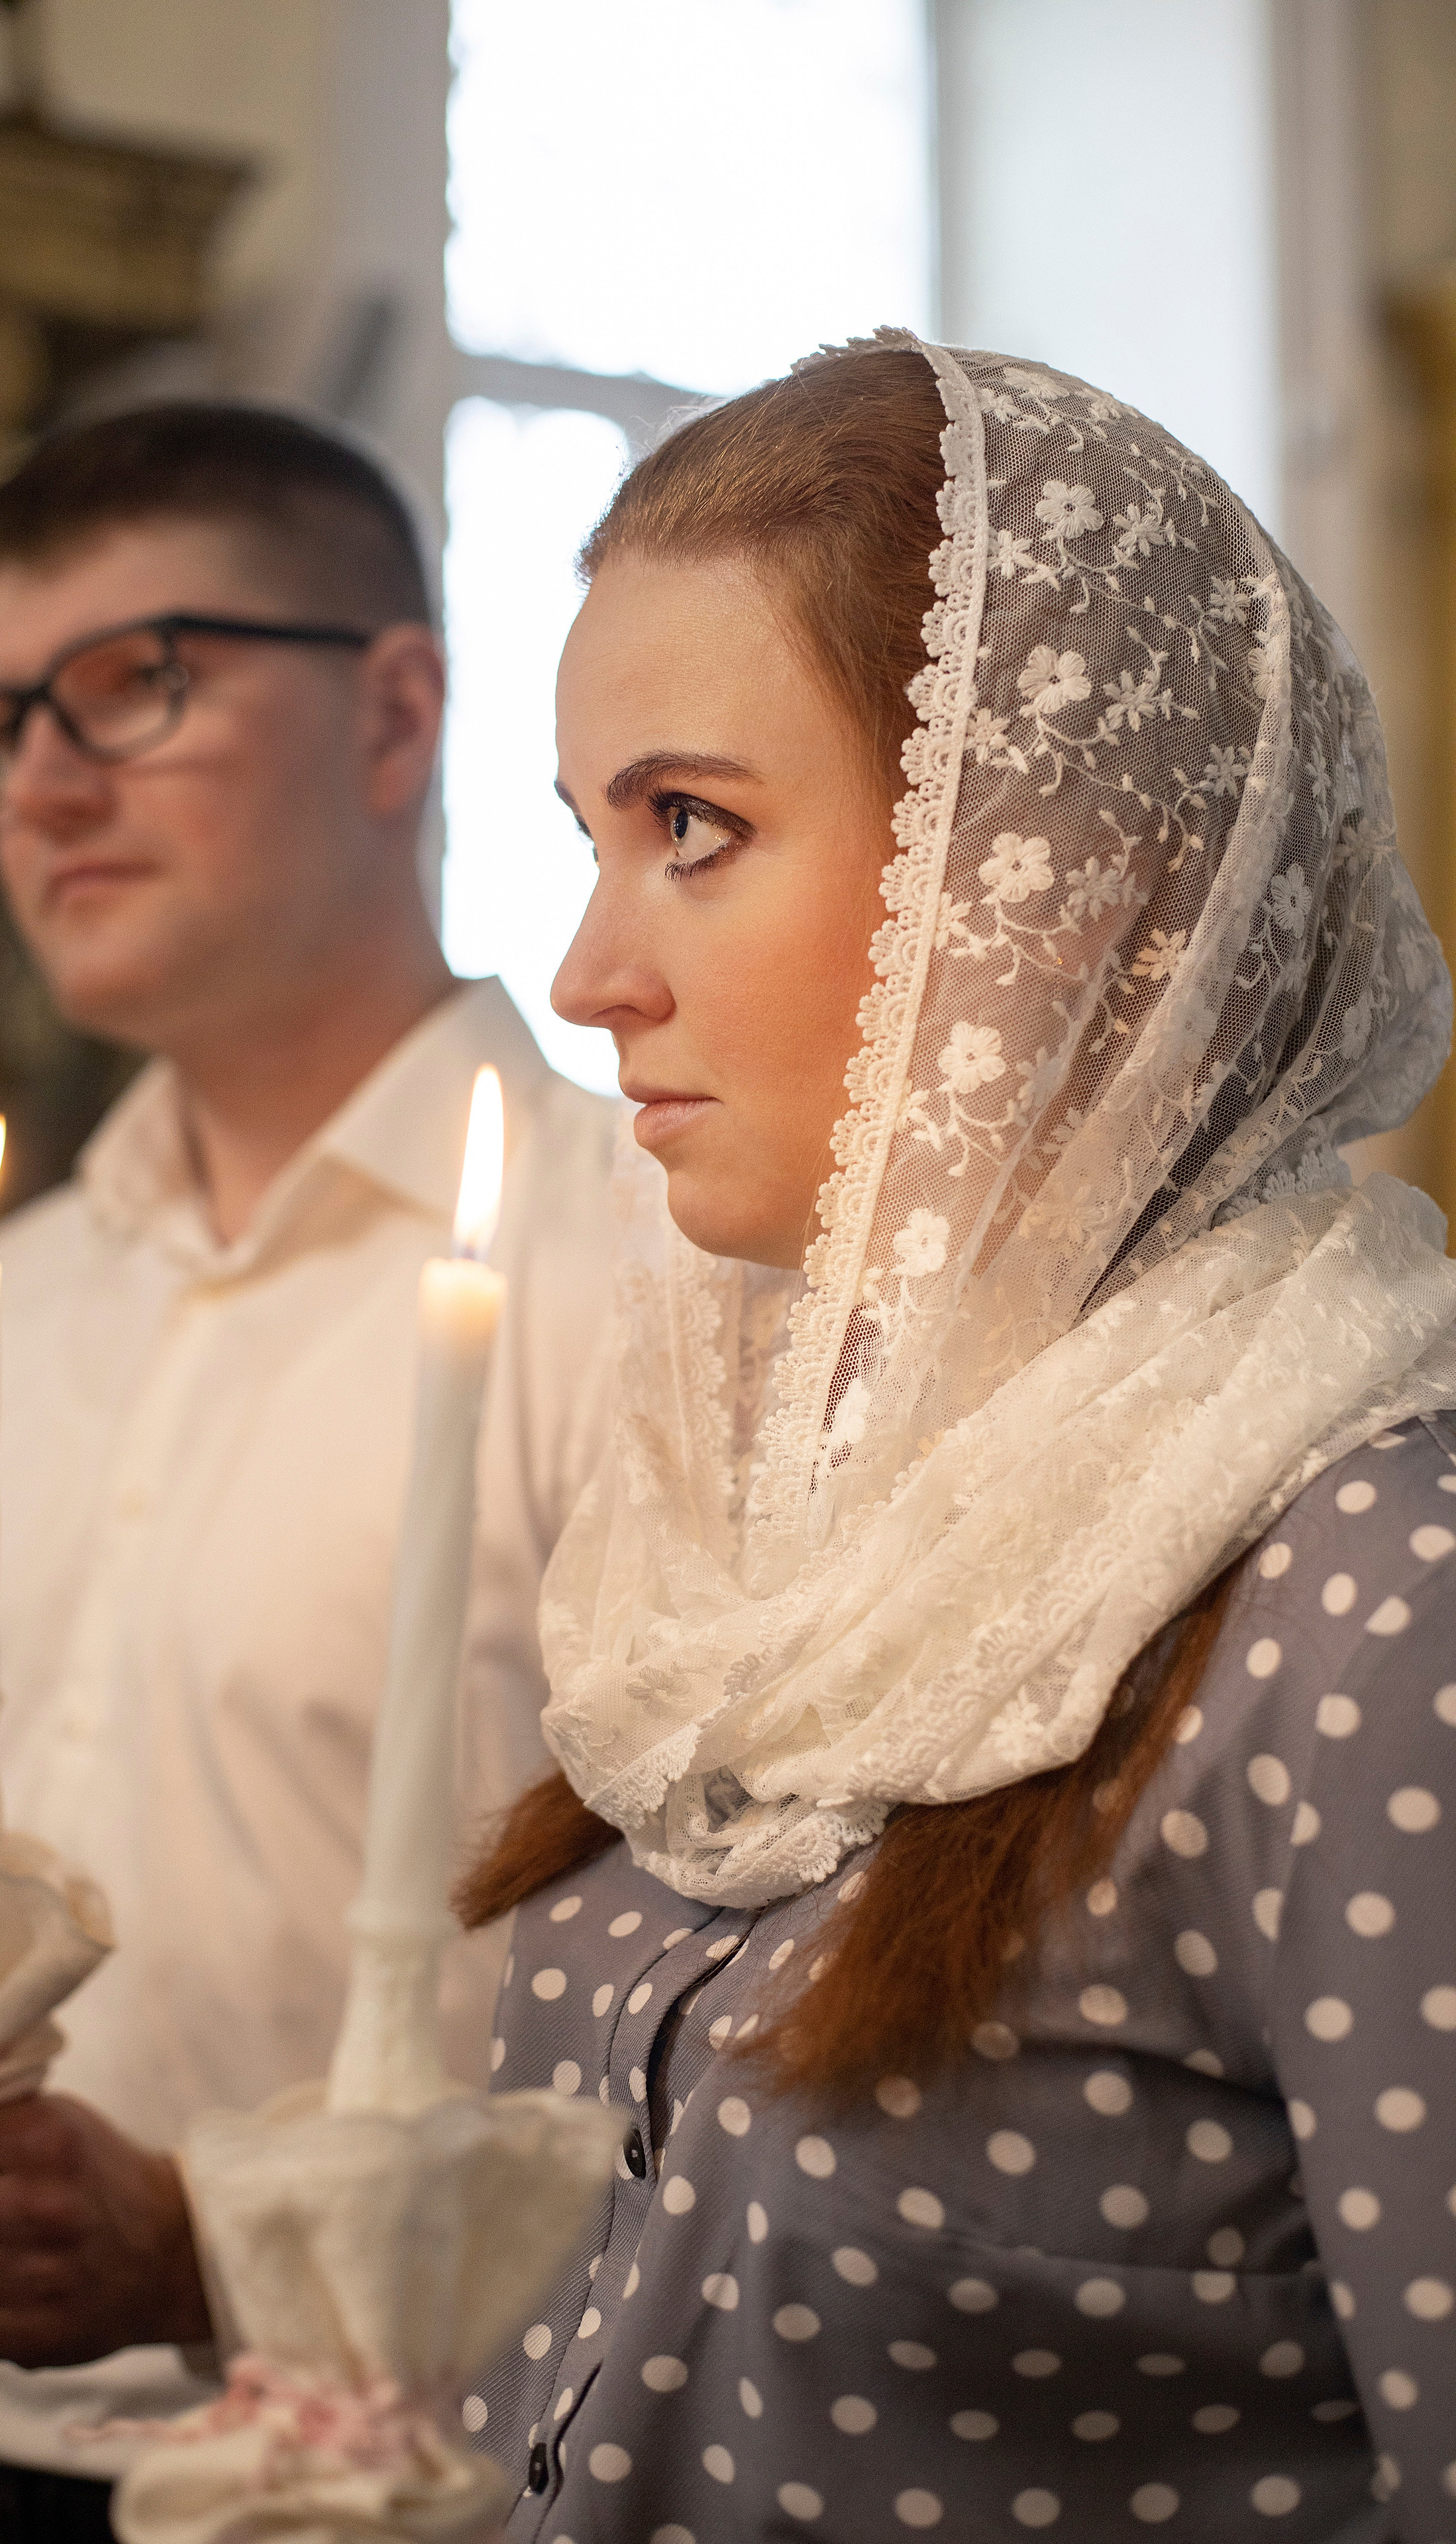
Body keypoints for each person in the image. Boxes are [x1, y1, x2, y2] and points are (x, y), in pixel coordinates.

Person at [449, 335, 1456, 2539]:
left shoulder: (1374, 1599)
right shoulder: (729, 1517)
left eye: (691, 828)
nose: (590, 968)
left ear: (1055, 888)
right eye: (591, 834)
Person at [0, 403, 615, 2543]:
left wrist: (216, 2243)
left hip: (433, 2473)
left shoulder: (632, 1266)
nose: (37, 786)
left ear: (396, 713)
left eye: (133, 686)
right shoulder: (19, 1297)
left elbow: (695, 2047)